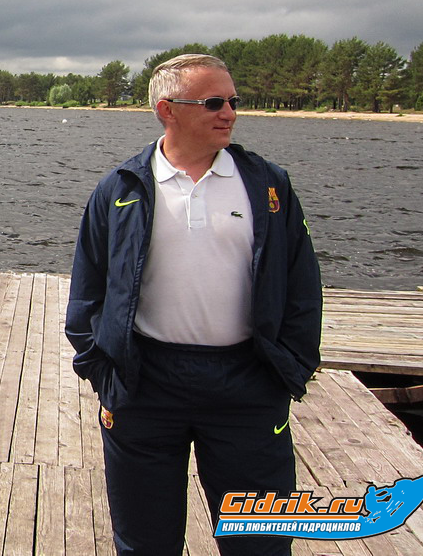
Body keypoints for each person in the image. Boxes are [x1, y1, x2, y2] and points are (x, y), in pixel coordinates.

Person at [65, 54, 322, 556]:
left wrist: (289, 367)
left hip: (247, 383)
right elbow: (87, 289)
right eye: (213, 102)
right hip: (144, 385)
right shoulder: (121, 188)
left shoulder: (267, 185)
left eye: (233, 101)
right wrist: (102, 369)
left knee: (260, 545)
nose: (229, 112)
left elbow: (302, 284)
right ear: (167, 110)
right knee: (144, 542)